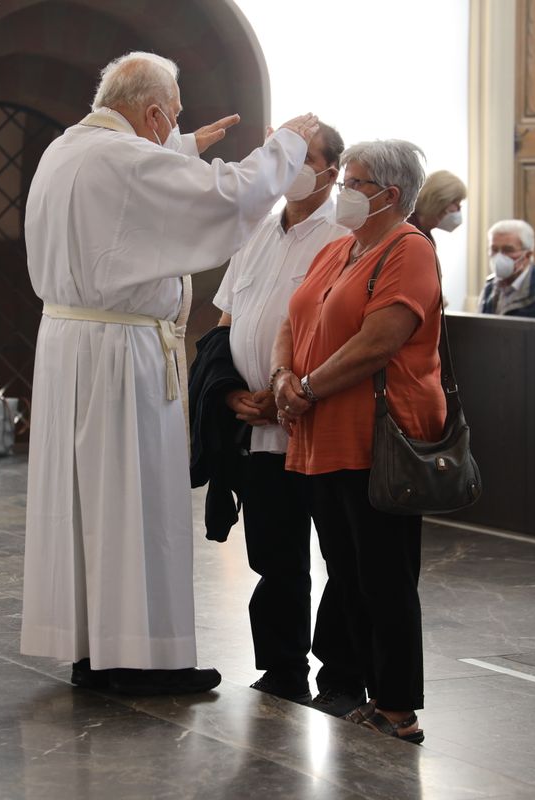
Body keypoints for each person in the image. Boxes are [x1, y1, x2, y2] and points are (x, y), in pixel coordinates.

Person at [20, 50, 320, 695]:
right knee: (133, 502)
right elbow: (227, 196)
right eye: (171, 118)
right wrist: (290, 142)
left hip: (71, 347)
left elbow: (129, 201)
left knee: (85, 505)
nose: (173, 128)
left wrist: (178, 145)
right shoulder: (127, 159)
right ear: (151, 111)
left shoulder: (66, 151)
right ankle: (143, 657)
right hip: (120, 355)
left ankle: (93, 648)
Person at [270, 139, 441, 743]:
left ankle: (397, 707)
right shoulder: (341, 248)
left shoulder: (409, 249)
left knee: (385, 575)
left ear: (390, 195)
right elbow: (294, 317)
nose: (341, 191)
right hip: (322, 434)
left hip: (378, 438)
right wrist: (283, 377)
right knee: (346, 571)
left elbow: (380, 341)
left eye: (354, 182)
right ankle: (364, 689)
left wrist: (308, 387)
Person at [209, 123, 348, 704]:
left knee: (340, 557)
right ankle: (282, 666)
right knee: (272, 554)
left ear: (332, 171)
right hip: (256, 429)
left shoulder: (343, 234)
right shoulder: (258, 232)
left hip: (314, 422)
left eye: (305, 159)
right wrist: (228, 392)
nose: (292, 168)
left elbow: (340, 330)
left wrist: (285, 388)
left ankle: (341, 674)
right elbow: (224, 324)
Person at [478, 219, 535, 317]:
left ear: (527, 255)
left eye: (508, 250)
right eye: (494, 249)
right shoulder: (490, 286)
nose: (499, 256)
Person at [407, 169, 466, 245]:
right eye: (456, 203)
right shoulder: (408, 233)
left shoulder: (426, 236)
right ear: (438, 201)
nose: (459, 209)